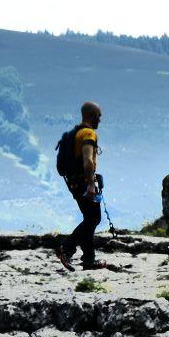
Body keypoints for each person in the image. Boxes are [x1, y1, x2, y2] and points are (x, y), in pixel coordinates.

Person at [56, 101, 106, 272]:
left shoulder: (73, 133)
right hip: (84, 183)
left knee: (89, 220)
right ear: (92, 116)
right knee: (93, 219)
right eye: (99, 117)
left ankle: (88, 260)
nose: (100, 120)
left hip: (74, 183)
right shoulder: (88, 134)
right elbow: (87, 161)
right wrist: (91, 184)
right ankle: (66, 248)